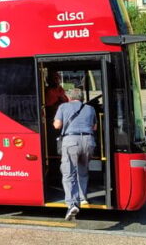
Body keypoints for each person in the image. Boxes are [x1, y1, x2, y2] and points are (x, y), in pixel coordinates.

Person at [53, 88, 97, 221]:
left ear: (69, 97)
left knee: (68, 173)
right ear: (82, 97)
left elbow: (57, 125)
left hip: (71, 141)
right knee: (83, 170)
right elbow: (94, 127)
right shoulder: (90, 108)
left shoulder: (63, 106)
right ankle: (83, 199)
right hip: (88, 141)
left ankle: (72, 204)